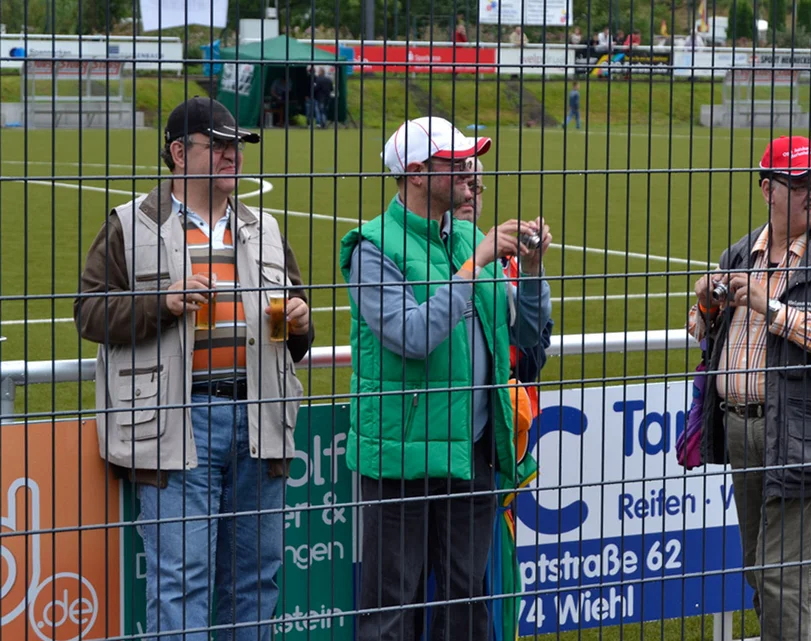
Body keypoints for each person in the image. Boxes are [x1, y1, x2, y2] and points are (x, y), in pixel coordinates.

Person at [73, 97, 315, 641]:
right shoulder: (130, 224)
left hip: (260, 421)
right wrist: (162, 302)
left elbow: (297, 334)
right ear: (179, 153)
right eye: (219, 145)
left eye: (238, 146)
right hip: (178, 422)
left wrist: (300, 320)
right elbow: (88, 313)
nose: (233, 155)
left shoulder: (265, 228)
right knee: (182, 582)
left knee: (255, 582)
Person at [340, 116, 551, 641]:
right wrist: (475, 264)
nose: (468, 172)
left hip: (469, 450)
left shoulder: (467, 238)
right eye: (453, 163)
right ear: (415, 172)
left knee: (466, 604)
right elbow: (412, 336)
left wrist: (532, 271)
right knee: (391, 610)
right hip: (402, 456)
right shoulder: (373, 246)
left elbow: (524, 332)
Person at [689, 136, 811, 641]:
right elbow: (699, 329)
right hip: (742, 430)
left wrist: (770, 307)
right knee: (760, 570)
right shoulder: (742, 253)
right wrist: (706, 304)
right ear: (767, 190)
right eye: (801, 184)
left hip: (804, 436)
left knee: (784, 579)